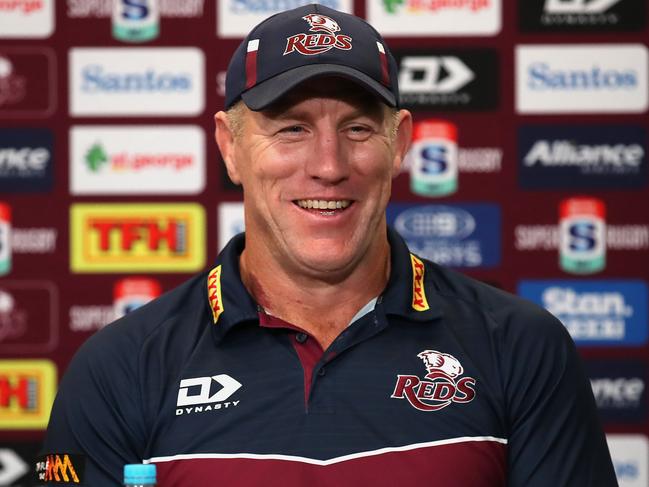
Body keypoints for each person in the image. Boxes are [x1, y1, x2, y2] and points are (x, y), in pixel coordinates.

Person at [40, 4, 618, 486]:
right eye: (291, 127)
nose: (328, 166)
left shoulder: (522, 346)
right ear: (230, 146)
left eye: (357, 129)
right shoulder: (119, 367)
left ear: (400, 144)